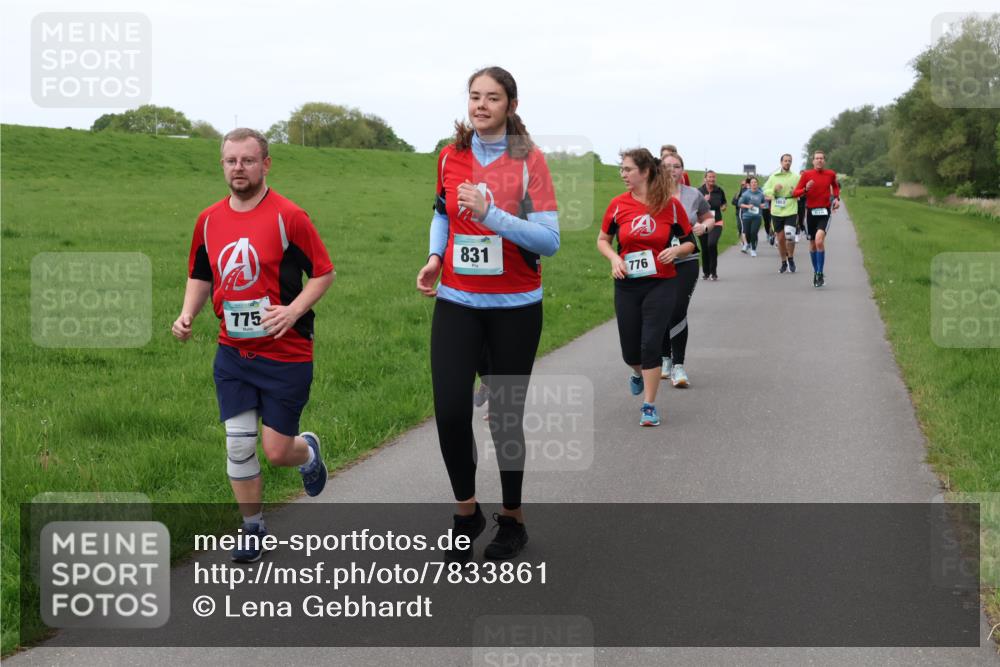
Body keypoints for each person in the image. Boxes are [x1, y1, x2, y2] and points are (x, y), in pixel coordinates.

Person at [416, 66, 560, 562]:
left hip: (515, 309)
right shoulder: (450, 157)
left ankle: (513, 520)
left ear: (511, 106)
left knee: (504, 419)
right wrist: (436, 257)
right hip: (457, 302)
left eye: (492, 98)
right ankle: (466, 511)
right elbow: (440, 212)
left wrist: (491, 213)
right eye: (474, 97)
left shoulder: (530, 161)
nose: (480, 105)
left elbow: (550, 240)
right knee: (450, 410)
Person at [172, 128, 335, 563]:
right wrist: (188, 313)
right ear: (222, 165)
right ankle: (253, 527)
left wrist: (293, 311)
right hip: (233, 353)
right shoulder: (208, 220)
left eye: (247, 160)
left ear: (266, 164)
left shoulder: (289, 216)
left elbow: (323, 273)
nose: (238, 168)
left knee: (277, 451)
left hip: (286, 354)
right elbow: (201, 274)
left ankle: (308, 451)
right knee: (239, 443)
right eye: (231, 161)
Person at [597, 148, 695, 426]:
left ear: (645, 171)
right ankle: (637, 372)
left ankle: (649, 405)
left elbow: (689, 243)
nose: (623, 174)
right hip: (627, 285)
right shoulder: (618, 204)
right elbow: (602, 239)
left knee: (650, 344)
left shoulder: (671, 206)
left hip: (661, 283)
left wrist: (676, 252)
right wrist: (615, 258)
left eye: (627, 169)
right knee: (631, 351)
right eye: (622, 169)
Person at [659, 152, 715, 387]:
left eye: (677, 166)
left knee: (678, 308)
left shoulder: (693, 195)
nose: (672, 169)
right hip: (659, 260)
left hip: (687, 259)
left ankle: (679, 366)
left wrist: (703, 226)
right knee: (661, 309)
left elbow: (709, 217)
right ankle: (665, 358)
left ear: (683, 170)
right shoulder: (652, 195)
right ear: (660, 169)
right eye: (667, 166)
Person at [793, 151, 841, 287]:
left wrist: (836, 199)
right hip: (811, 213)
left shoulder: (830, 174)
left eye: (821, 158)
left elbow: (836, 186)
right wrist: (805, 189)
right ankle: (816, 271)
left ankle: (820, 272)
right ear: (813, 161)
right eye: (817, 158)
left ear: (824, 161)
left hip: (824, 212)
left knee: (819, 240)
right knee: (813, 244)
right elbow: (795, 193)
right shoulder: (806, 175)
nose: (819, 160)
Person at [763, 153, 801, 273]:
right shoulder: (773, 177)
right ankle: (783, 262)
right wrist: (774, 189)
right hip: (777, 211)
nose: (787, 163)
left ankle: (791, 258)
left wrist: (795, 192)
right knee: (780, 239)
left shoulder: (795, 177)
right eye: (785, 161)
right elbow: (765, 191)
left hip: (791, 208)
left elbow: (802, 190)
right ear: (781, 162)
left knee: (790, 236)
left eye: (789, 161)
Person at [697, 171, 726, 280]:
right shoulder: (699, 191)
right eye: (709, 177)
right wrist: (703, 201)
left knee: (712, 244)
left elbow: (724, 202)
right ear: (705, 178)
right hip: (702, 222)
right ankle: (706, 272)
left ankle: (713, 272)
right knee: (704, 247)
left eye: (713, 177)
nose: (712, 179)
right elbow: (693, 206)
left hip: (716, 222)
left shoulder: (719, 191)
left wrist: (723, 206)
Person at [737, 177, 766, 257]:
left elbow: (765, 204)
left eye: (755, 182)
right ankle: (747, 244)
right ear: (749, 184)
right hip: (747, 216)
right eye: (752, 182)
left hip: (757, 216)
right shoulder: (745, 194)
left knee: (754, 232)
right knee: (747, 233)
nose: (754, 184)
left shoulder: (761, 194)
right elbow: (740, 204)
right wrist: (747, 206)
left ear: (757, 184)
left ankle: (753, 249)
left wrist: (762, 205)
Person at [733, 177, 751, 252]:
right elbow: (733, 202)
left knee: (748, 229)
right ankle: (744, 244)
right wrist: (740, 204)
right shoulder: (738, 193)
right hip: (739, 213)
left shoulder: (750, 192)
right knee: (740, 228)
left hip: (749, 213)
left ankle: (747, 243)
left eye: (745, 184)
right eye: (742, 184)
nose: (743, 185)